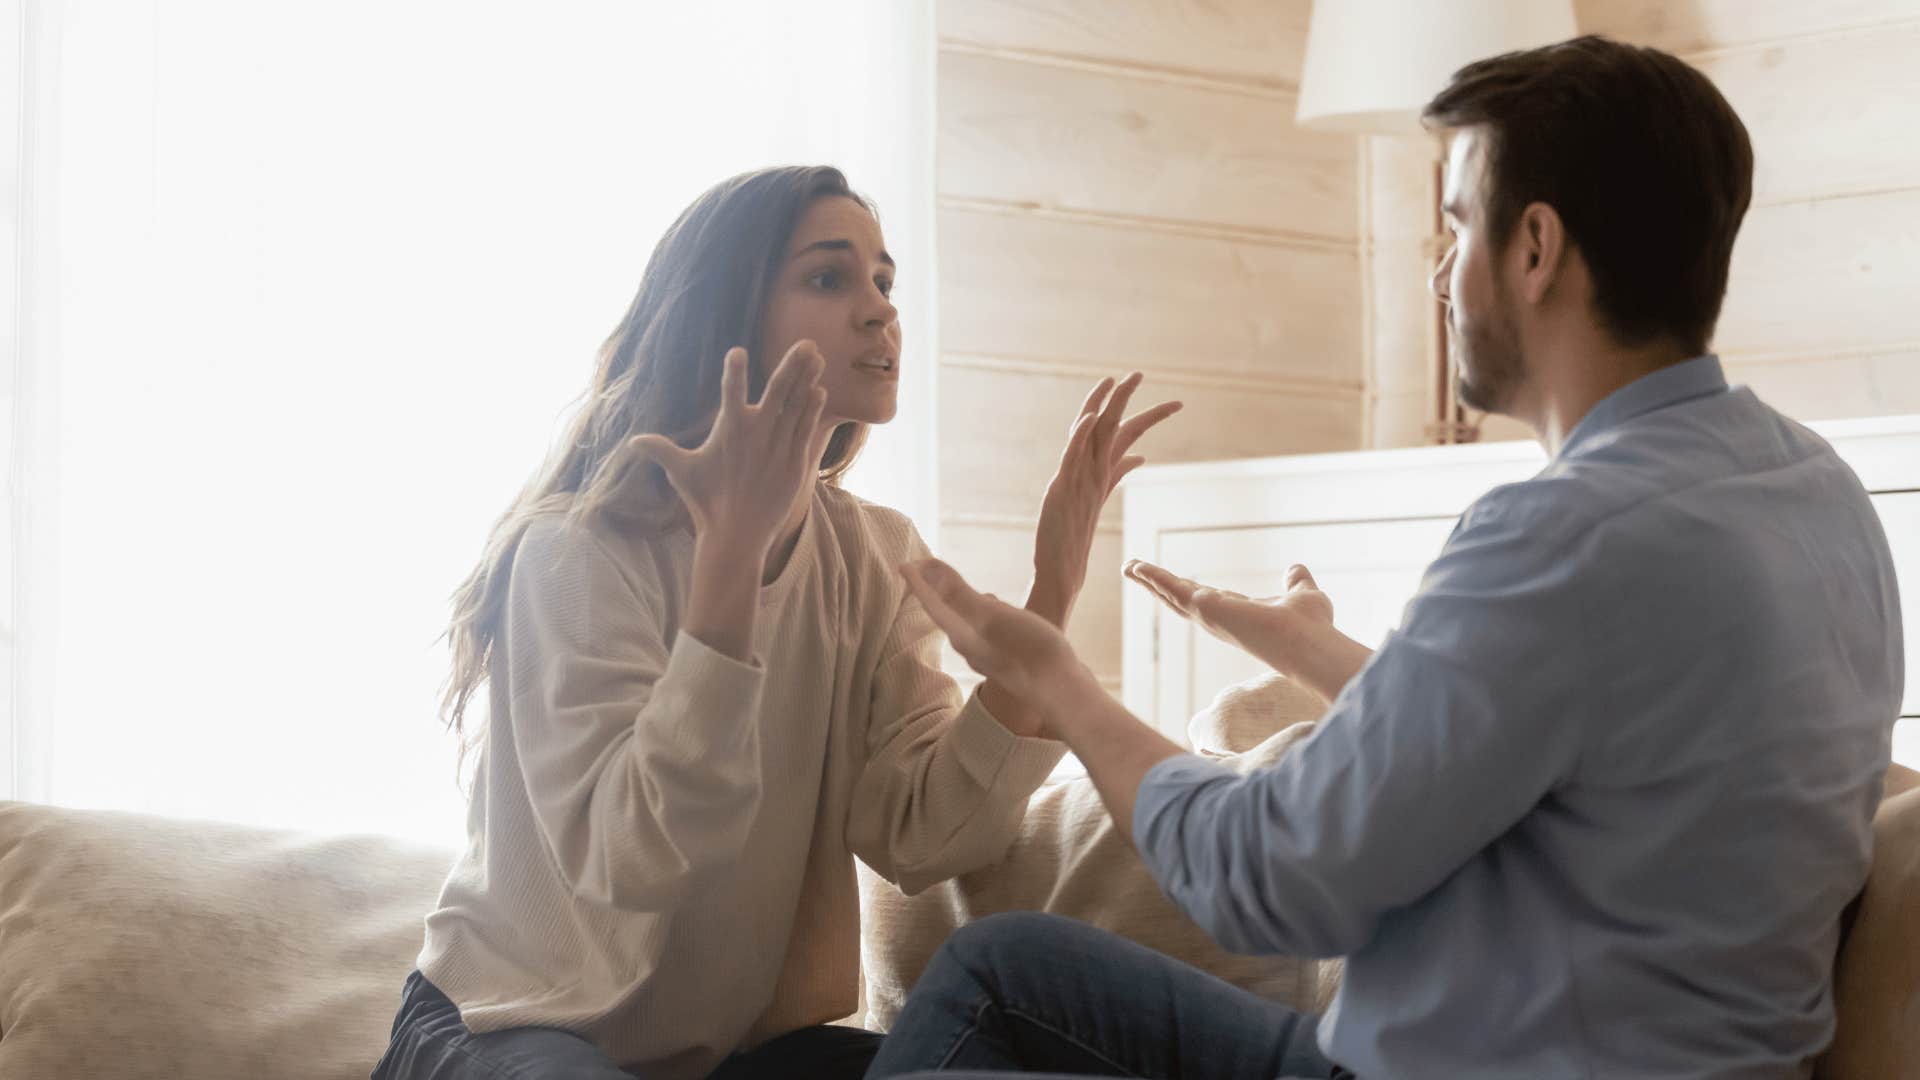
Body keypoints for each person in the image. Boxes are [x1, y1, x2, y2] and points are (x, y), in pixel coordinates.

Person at [865, 36, 1906, 1080]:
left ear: (1536, 247)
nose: (1440, 273)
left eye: (1456, 226)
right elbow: (1607, 757)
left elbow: (1264, 878)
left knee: (983, 978)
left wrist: (1063, 685)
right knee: (1007, 965)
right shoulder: (1816, 495)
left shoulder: (1560, 534)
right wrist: (1332, 661)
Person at [368, 165, 1180, 1080]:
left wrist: (1050, 596)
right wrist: (729, 567)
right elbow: (629, 865)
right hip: (505, 1028)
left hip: (727, 1056)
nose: (879, 311)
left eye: (884, 280)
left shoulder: (874, 554)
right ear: (727, 316)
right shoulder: (577, 550)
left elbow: (924, 836)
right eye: (830, 279)